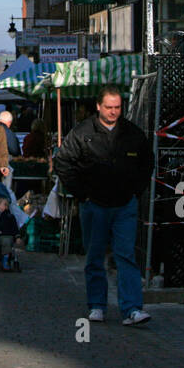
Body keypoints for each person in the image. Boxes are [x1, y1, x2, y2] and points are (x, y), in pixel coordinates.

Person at [53, 86, 153, 327]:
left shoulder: (132, 133)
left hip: (124, 204)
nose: (113, 112)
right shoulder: (82, 132)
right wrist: (81, 193)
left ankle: (132, 309)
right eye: (108, 107)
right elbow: (63, 161)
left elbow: (146, 163)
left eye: (117, 107)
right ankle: (97, 305)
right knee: (95, 256)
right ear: (98, 106)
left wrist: (135, 192)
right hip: (94, 204)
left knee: (125, 255)